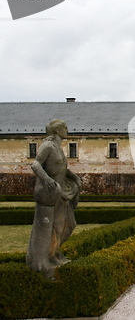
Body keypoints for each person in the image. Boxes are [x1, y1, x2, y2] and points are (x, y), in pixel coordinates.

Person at [26, 120, 82, 279]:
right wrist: (47, 180)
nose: (67, 130)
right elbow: (36, 165)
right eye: (65, 128)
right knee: (55, 225)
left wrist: (74, 177)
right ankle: (50, 256)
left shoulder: (58, 148)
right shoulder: (48, 146)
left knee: (69, 224)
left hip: (63, 190)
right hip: (52, 192)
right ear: (57, 131)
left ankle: (55, 252)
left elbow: (62, 168)